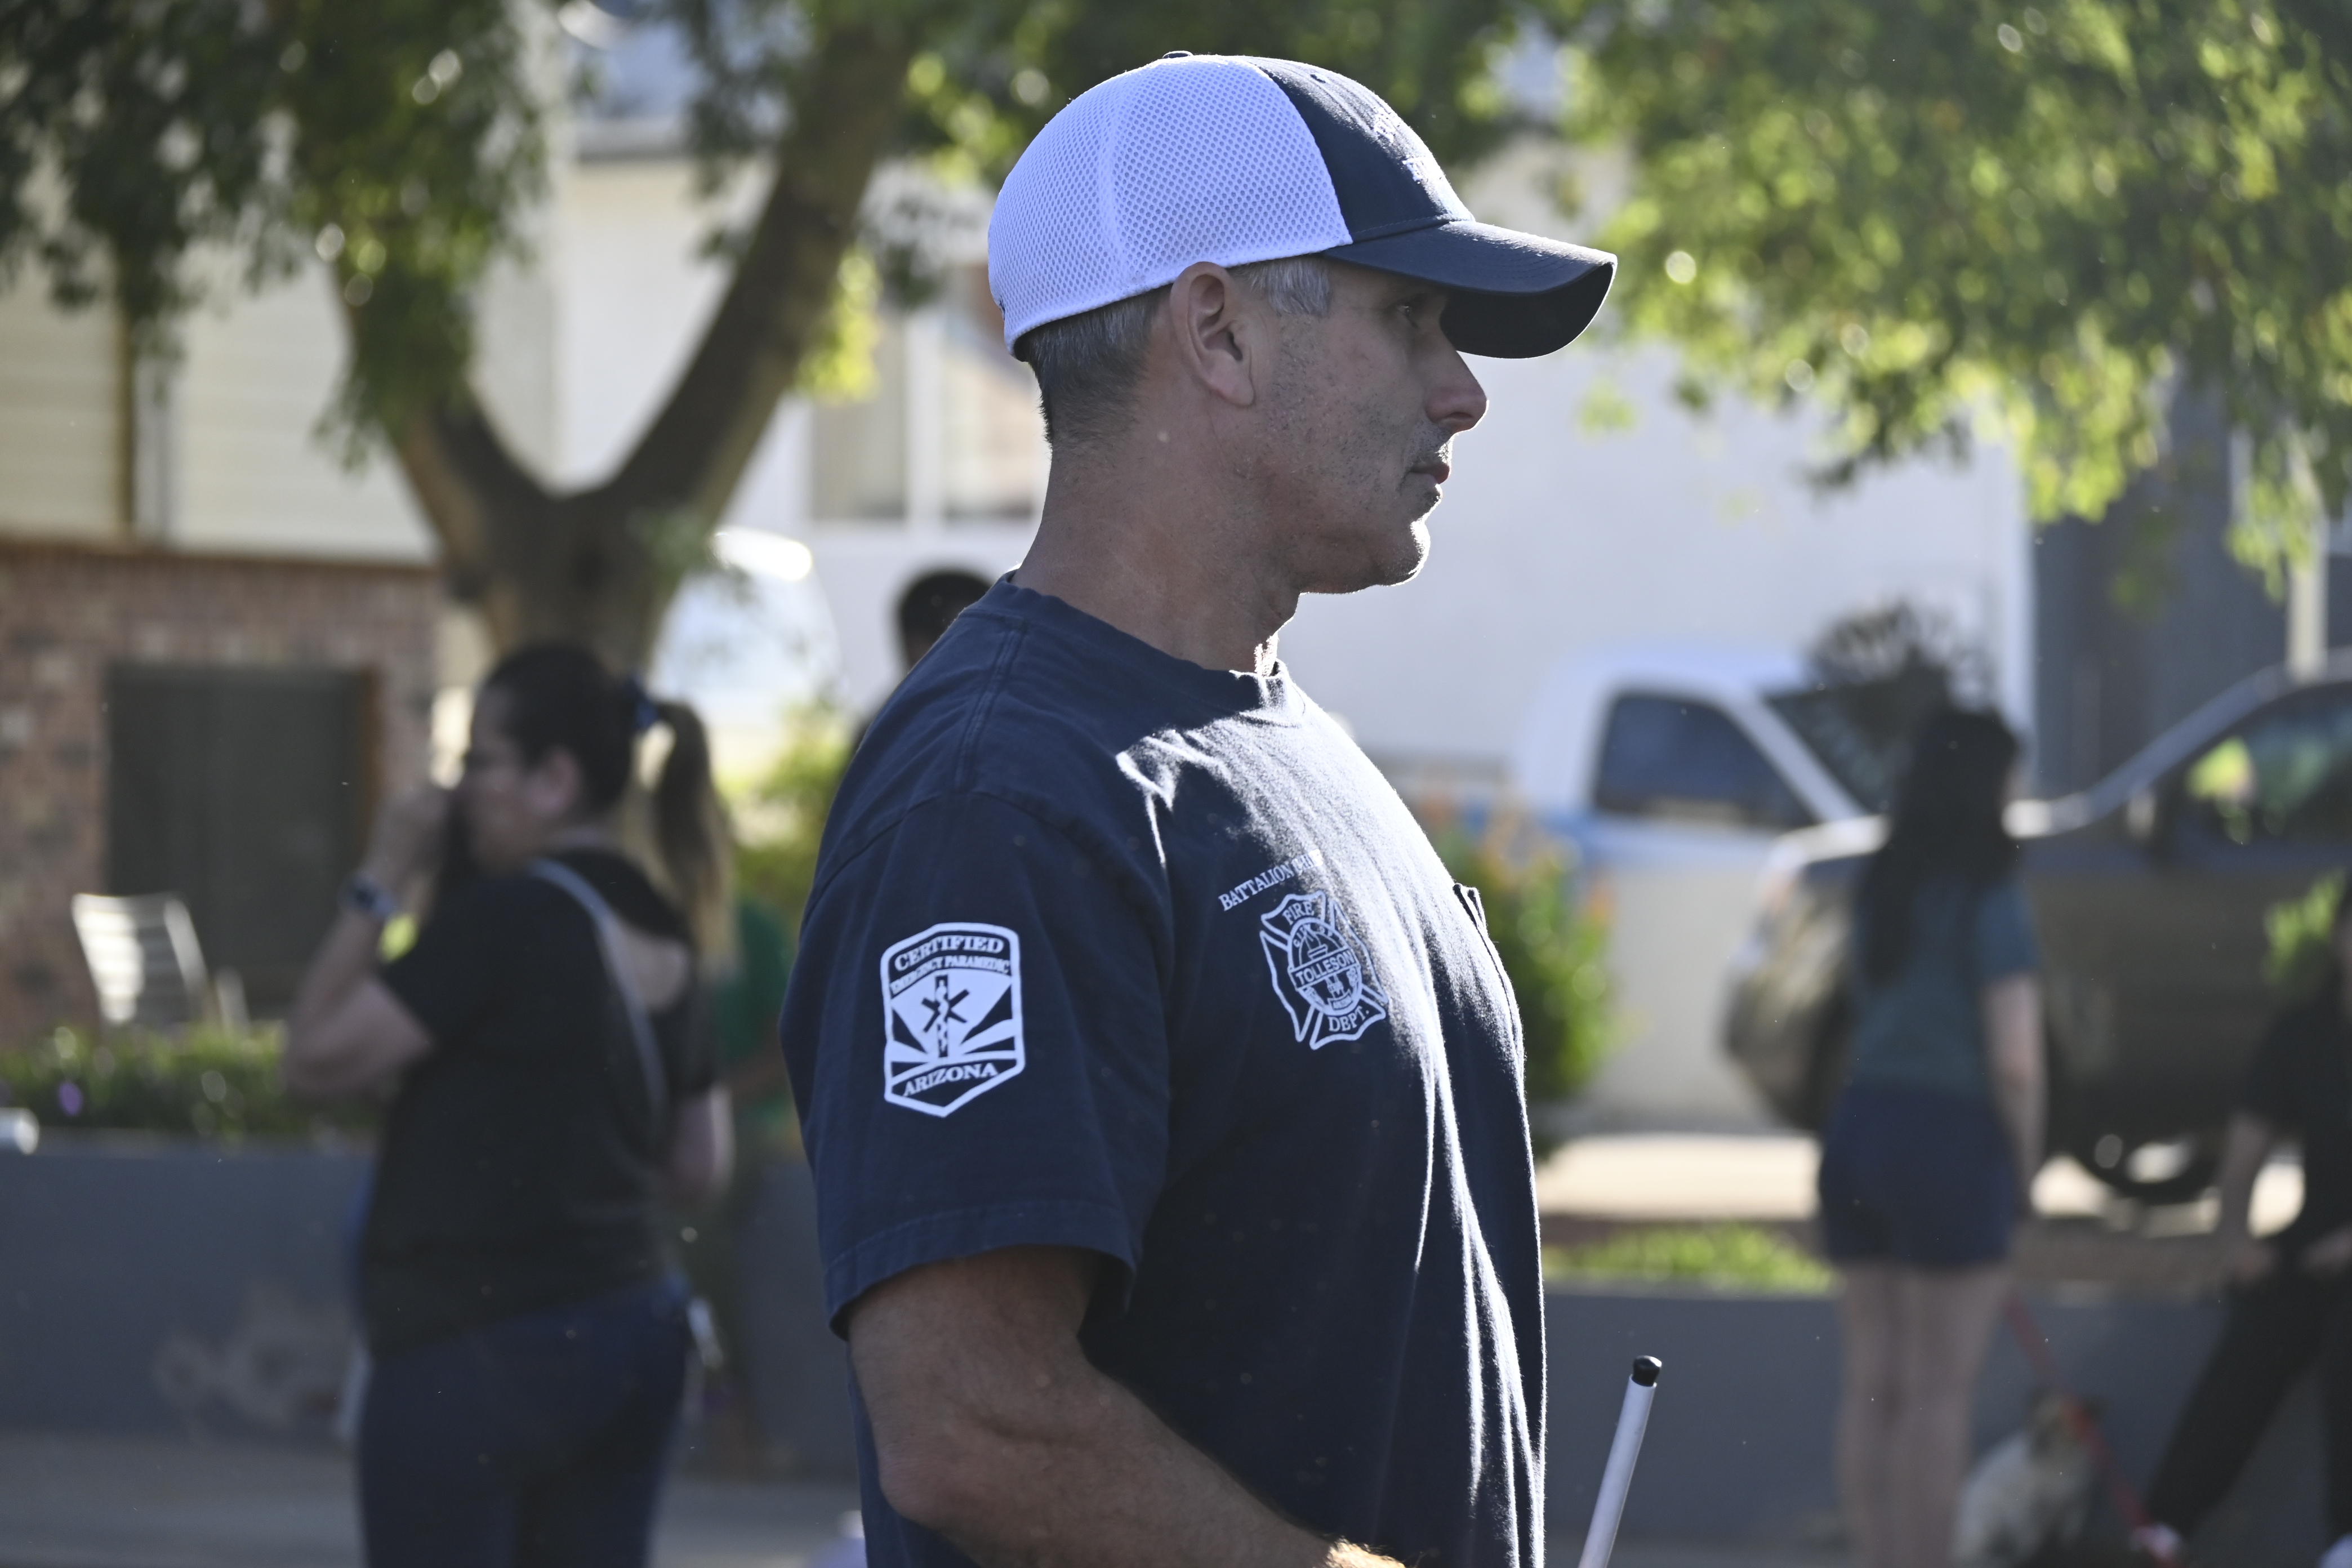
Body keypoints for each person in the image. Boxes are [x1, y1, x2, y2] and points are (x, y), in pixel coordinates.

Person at [778, 51, 1614, 1568]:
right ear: (1217, 329)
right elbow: (970, 1419)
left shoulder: (1277, 737)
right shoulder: (1001, 798)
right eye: (1408, 317)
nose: (1463, 390)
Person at [284, 643, 734, 1567]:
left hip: (475, 1347)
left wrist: (383, 873)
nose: (457, 790)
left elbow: (315, 1059)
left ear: (553, 779)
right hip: (632, 1330)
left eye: (479, 760)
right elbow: (699, 1166)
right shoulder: (662, 922)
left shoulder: (508, 917)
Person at [1818, 707, 2044, 1568]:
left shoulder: (1884, 882)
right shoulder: (1992, 891)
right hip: (1950, 1136)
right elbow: (2016, 1059)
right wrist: (2025, 1167)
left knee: (1872, 1385)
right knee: (1938, 1394)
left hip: (1861, 1127)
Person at [2136, 890, 2352, 1568]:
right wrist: (2236, 1238)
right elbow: (2241, 1158)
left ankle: (2345, 1540)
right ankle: (2163, 1527)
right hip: (2314, 1244)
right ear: (2339, 935)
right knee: (2260, 1327)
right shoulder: (2302, 1032)